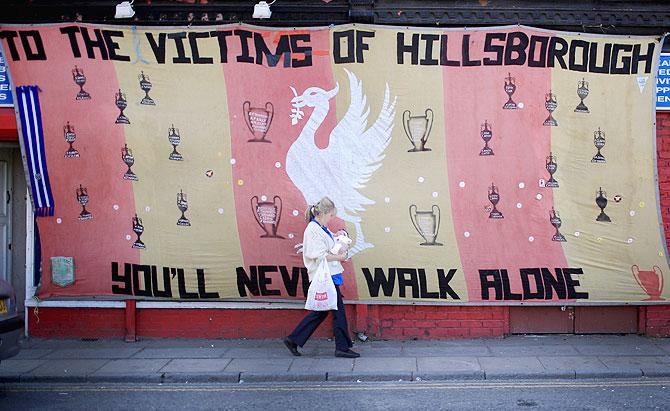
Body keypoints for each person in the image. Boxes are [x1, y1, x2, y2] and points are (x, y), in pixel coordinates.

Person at [283, 197, 360, 358]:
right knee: (337, 312)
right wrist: (340, 257)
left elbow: (332, 248)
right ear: (323, 213)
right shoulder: (313, 230)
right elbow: (318, 255)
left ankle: (294, 339)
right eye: (331, 215)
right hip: (324, 277)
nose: (332, 219)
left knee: (322, 311)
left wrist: (341, 236)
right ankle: (342, 348)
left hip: (329, 275)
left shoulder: (321, 228)